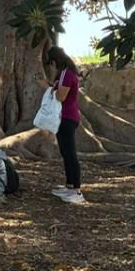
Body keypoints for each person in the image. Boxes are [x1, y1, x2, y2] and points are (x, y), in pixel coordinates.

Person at [46, 46, 84, 203]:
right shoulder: (66, 74)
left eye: (51, 64)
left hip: (67, 118)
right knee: (65, 152)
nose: (51, 67)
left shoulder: (66, 74)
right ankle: (69, 185)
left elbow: (61, 96)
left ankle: (77, 190)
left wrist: (52, 91)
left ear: (55, 62)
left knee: (70, 153)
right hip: (66, 118)